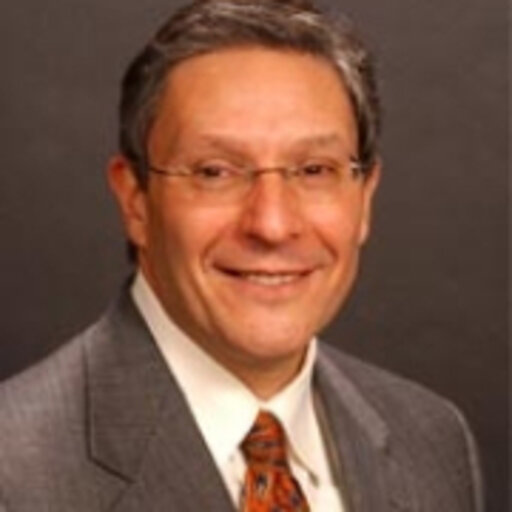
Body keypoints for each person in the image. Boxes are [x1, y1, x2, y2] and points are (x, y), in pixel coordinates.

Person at [0, 0, 483, 510]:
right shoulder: (14, 473)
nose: (271, 224)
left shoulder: (434, 443)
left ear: (364, 198)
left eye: (314, 170)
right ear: (135, 200)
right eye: (215, 172)